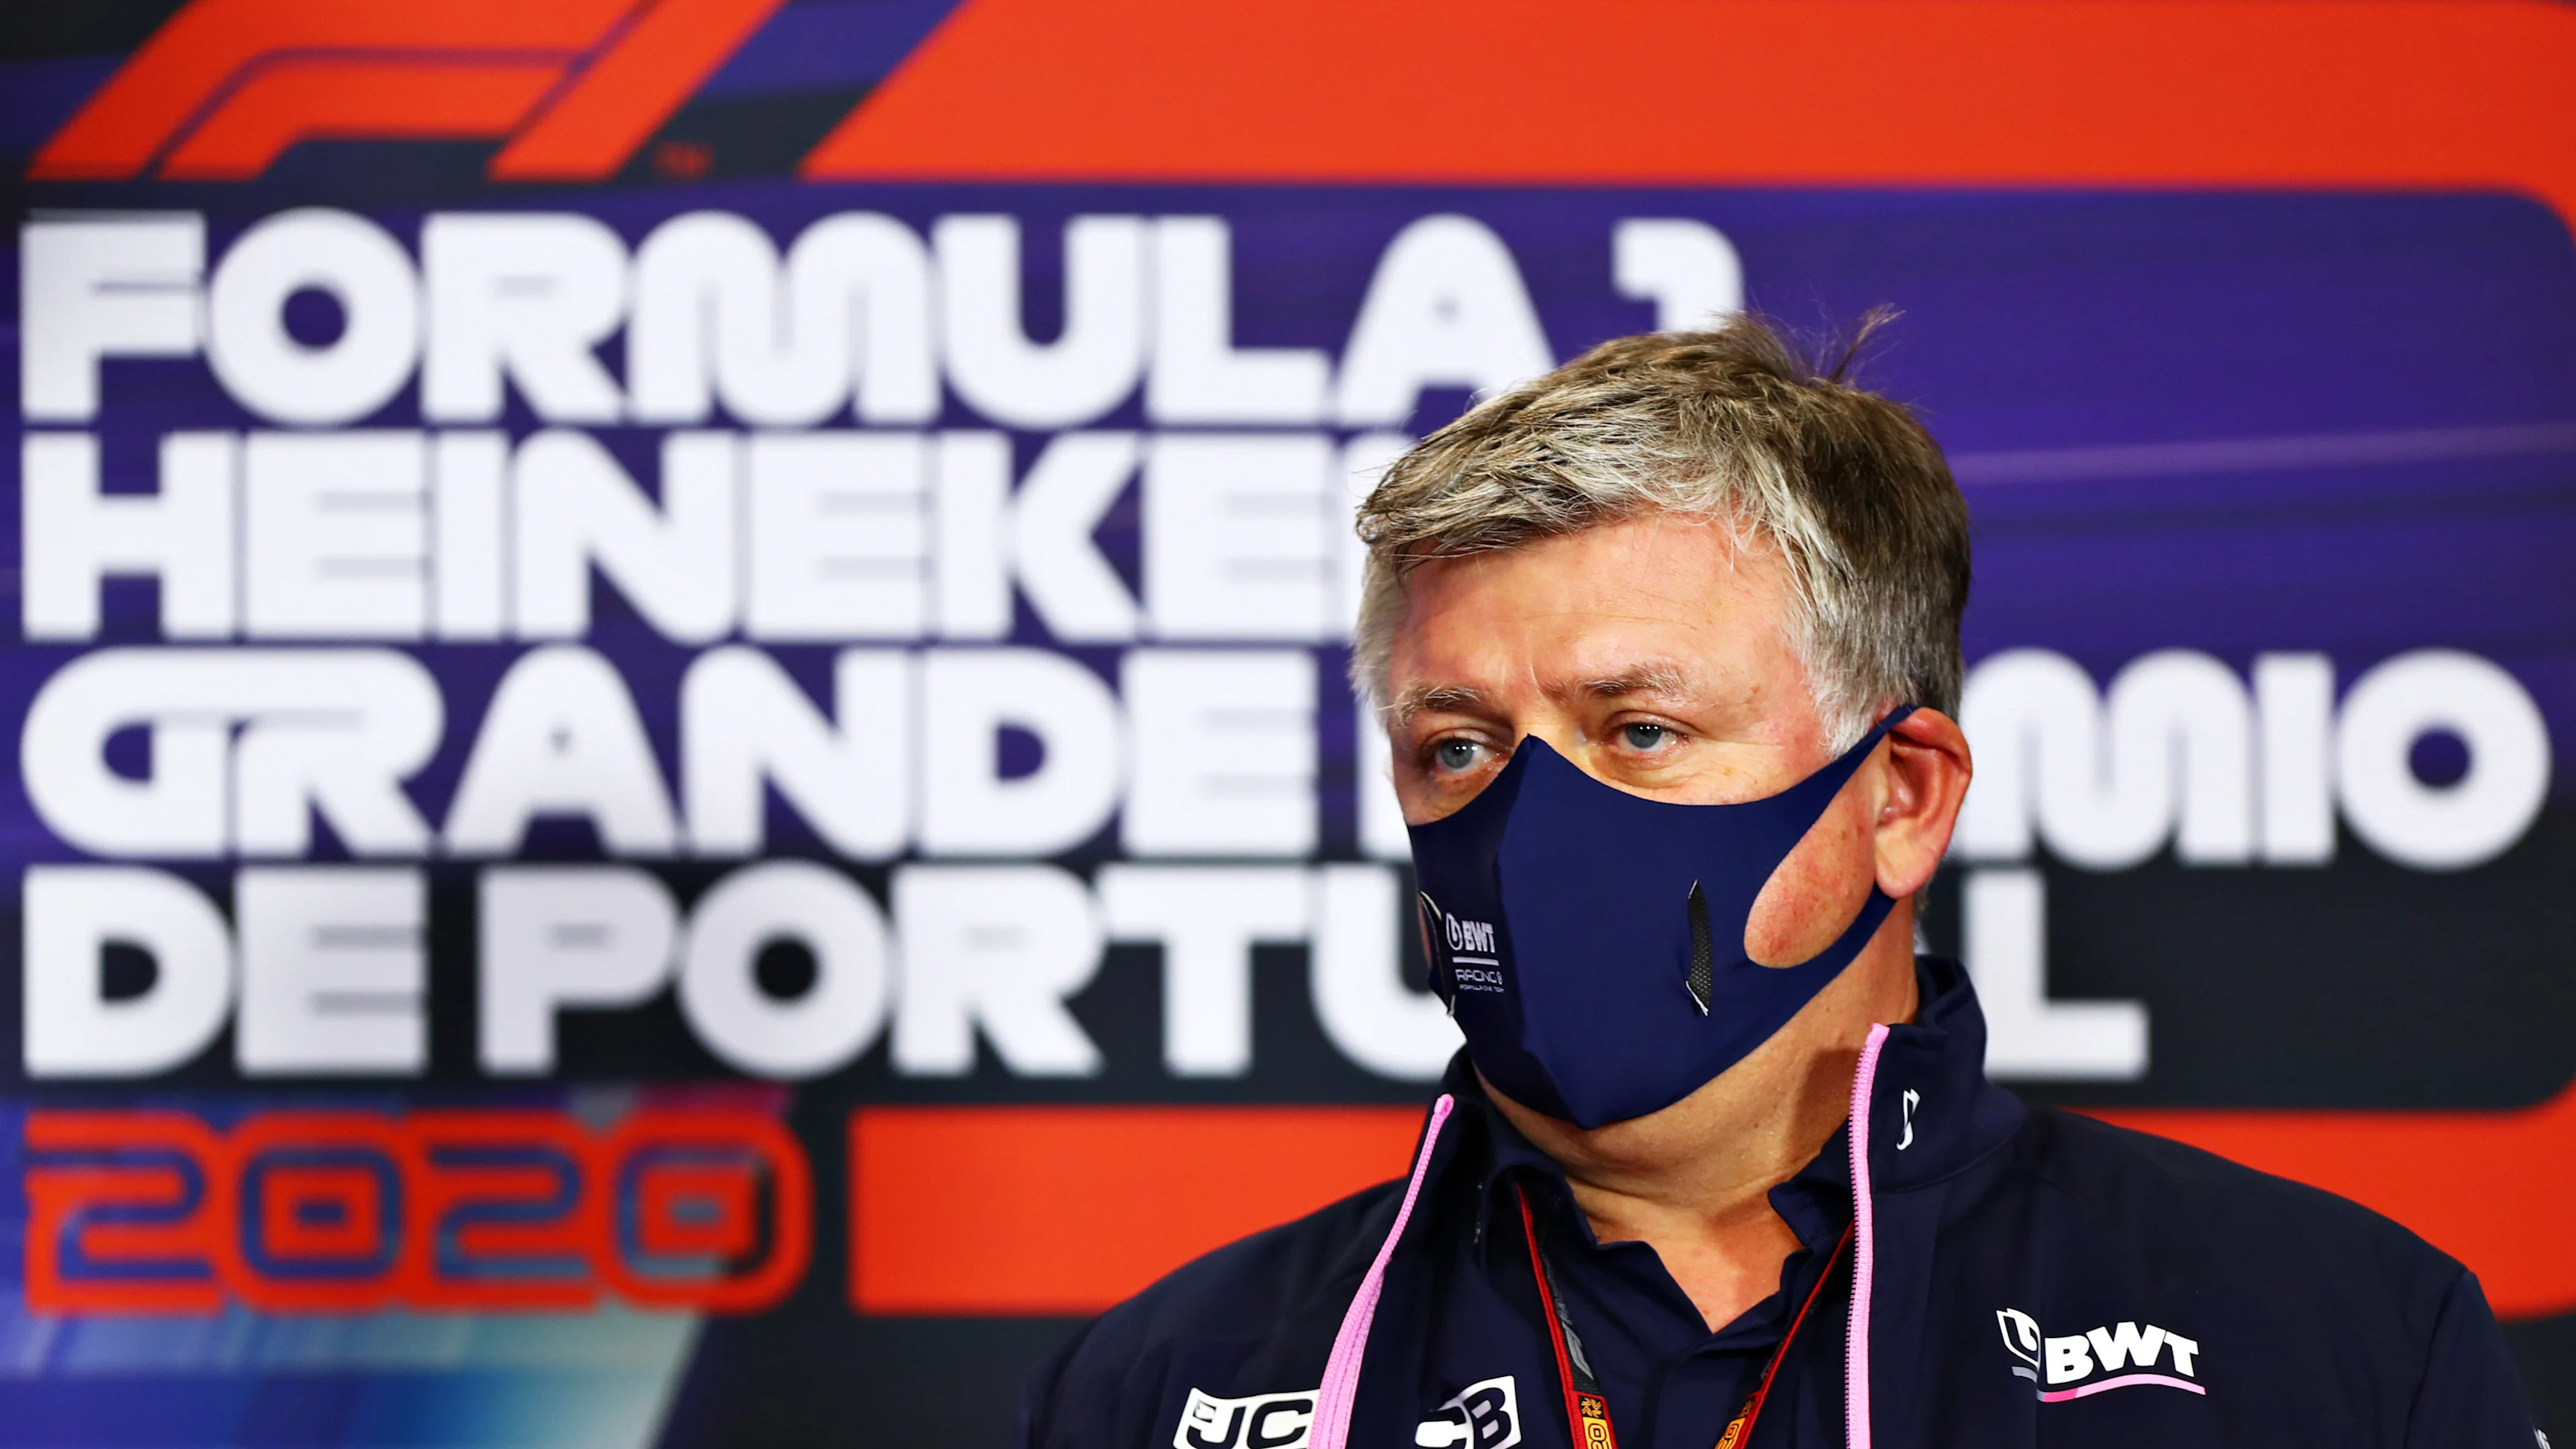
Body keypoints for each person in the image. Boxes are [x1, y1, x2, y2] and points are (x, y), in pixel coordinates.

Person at [1016, 319, 2543, 1447]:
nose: (1534, 818)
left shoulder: (2335, 1351)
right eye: (1460, 747)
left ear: (1899, 798)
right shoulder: (1167, 1386)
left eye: (1640, 731)